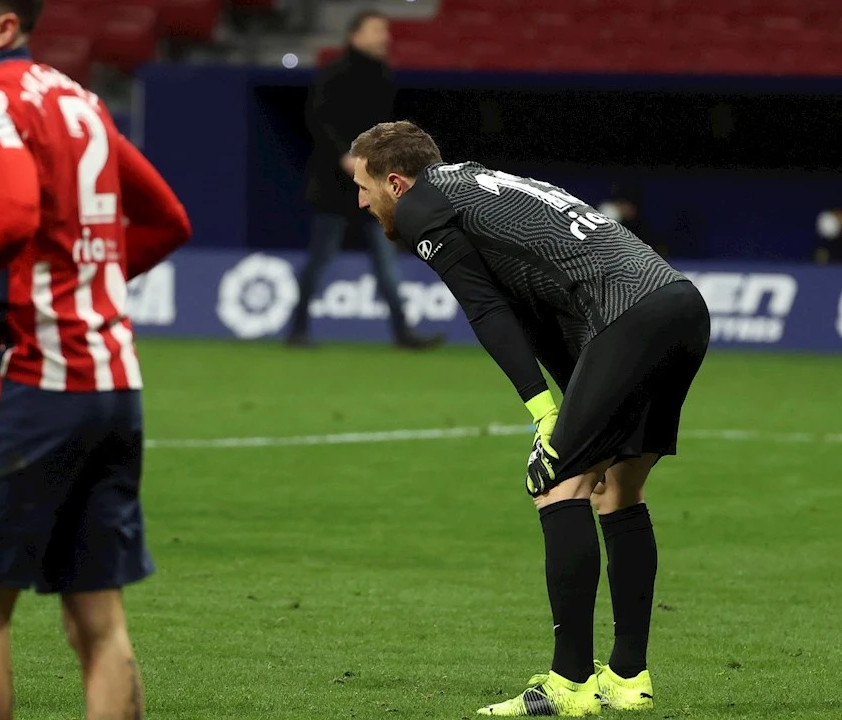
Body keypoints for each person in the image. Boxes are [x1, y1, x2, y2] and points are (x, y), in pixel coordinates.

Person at [348, 121, 711, 717]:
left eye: (363, 186)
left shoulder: (420, 207)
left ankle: (566, 686)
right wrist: (576, 410)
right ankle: (626, 679)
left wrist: (545, 415)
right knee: (618, 489)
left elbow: (487, 308)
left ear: (395, 181)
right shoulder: (473, 185)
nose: (361, 202)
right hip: (679, 306)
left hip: (630, 315)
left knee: (554, 483)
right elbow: (543, 306)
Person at [0, 1, 192, 718]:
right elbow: (169, 221)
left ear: (3, 28)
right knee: (98, 624)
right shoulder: (78, 100)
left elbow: (11, 212)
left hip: (35, 383)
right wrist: (85, 286)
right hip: (114, 386)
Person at [291, 9, 441, 350]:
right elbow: (320, 119)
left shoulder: (384, 77)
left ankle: (404, 334)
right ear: (355, 35)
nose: (383, 37)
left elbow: (384, 129)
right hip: (334, 186)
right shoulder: (334, 75)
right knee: (319, 261)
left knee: (387, 264)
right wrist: (345, 154)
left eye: (385, 31)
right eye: (376, 30)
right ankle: (297, 329)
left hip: (372, 187)